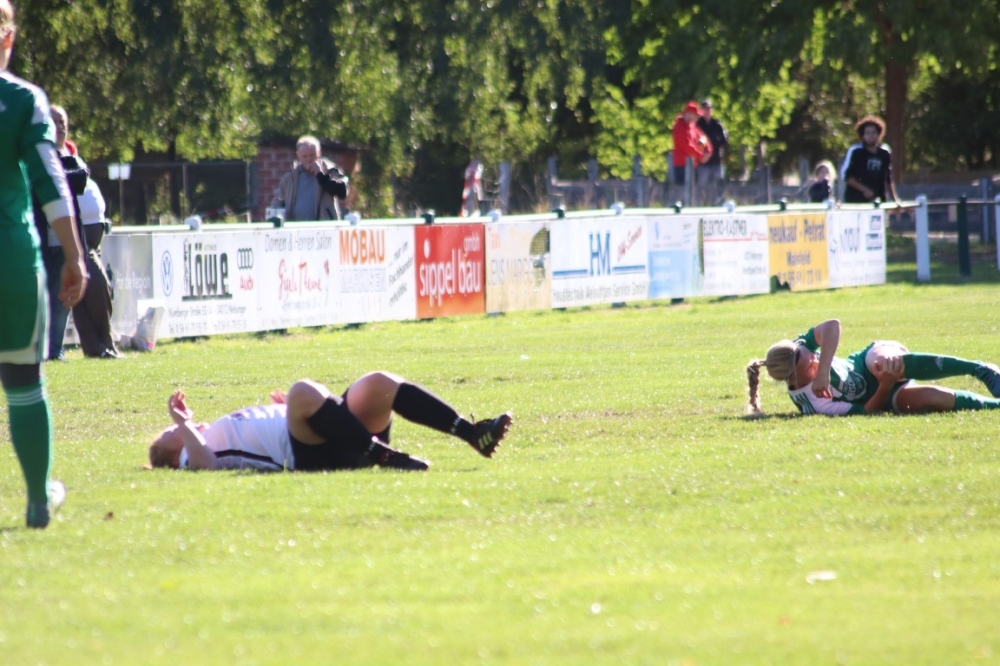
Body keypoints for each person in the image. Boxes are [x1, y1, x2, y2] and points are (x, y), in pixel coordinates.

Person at [0, 0, 88, 528]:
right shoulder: (21, 100)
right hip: (9, 258)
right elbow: (50, 181)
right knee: (22, 379)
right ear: (8, 39)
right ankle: (37, 500)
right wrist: (75, 255)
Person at [148, 371, 513, 472]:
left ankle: (472, 434)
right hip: (306, 456)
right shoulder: (192, 457)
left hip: (326, 435)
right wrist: (179, 423)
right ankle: (383, 456)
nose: (178, 426)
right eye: (170, 433)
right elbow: (207, 464)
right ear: (172, 451)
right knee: (302, 389)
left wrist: (286, 410)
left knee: (377, 385)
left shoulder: (211, 432)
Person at [746, 319, 1000, 416]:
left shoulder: (797, 348)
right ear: (793, 378)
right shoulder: (813, 403)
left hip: (870, 359)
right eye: (808, 363)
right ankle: (995, 406)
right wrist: (886, 386)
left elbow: (832, 325)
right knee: (932, 399)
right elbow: (866, 411)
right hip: (884, 396)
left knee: (884, 364)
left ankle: (980, 369)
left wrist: (822, 372)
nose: (814, 357)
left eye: (809, 353)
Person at [34, 104, 89, 360]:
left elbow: (80, 177)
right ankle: (43, 351)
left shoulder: (69, 157)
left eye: (63, 122)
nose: (60, 127)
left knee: (60, 302)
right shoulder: (35, 155)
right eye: (54, 122)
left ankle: (54, 351)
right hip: (38, 246)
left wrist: (54, 177)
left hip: (65, 246)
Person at [71, 177, 119, 358]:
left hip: (90, 243)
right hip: (77, 242)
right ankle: (99, 345)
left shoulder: (72, 158)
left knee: (93, 290)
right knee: (96, 285)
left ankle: (101, 346)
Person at [270, 135, 349, 221]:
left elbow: (343, 192)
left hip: (324, 229)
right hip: (296, 229)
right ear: (298, 155)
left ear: (319, 153)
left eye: (312, 155)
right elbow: (278, 200)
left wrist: (321, 176)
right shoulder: (290, 177)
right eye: (305, 156)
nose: (309, 159)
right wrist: (275, 216)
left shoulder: (330, 170)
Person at [841, 116, 901, 207]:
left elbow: (888, 179)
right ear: (862, 136)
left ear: (879, 134)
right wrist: (864, 189)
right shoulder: (856, 152)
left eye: (873, 132)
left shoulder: (884, 154)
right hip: (856, 201)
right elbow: (847, 177)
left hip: (878, 201)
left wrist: (895, 199)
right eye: (867, 133)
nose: (871, 136)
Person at [671, 101, 711, 192]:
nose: (697, 117)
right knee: (682, 193)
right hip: (682, 168)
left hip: (693, 166)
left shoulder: (693, 126)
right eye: (696, 115)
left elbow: (703, 139)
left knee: (693, 193)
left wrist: (707, 151)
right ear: (689, 114)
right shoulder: (679, 127)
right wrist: (701, 156)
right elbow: (688, 147)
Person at [695, 99, 729, 205]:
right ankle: (699, 204)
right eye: (705, 109)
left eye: (709, 109)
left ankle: (720, 204)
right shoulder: (698, 124)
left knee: (719, 184)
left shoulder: (717, 124)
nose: (707, 111)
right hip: (703, 162)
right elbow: (697, 141)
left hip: (716, 160)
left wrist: (712, 140)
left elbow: (724, 140)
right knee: (701, 185)